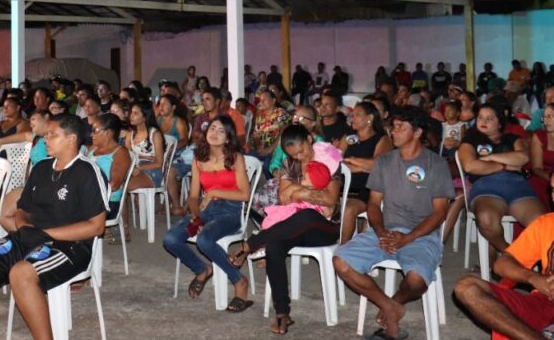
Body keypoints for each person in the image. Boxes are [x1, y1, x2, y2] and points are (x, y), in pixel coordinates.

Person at [0, 113, 107, 339]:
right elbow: (23, 208)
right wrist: (23, 224)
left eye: (52, 135)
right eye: (46, 135)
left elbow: (96, 227)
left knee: (22, 273)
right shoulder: (42, 168)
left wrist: (45, 233)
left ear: (72, 138)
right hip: (31, 237)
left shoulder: (87, 172)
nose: (46, 139)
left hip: (69, 247)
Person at [454, 158, 554, 339]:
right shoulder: (546, 223)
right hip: (543, 300)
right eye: (553, 190)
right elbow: (502, 265)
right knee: (467, 288)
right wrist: (536, 279)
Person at [333, 106, 454, 340]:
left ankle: (396, 302)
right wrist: (380, 232)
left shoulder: (436, 164)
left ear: (417, 132)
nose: (393, 132)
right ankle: (389, 307)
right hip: (386, 230)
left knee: (416, 280)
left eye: (400, 127)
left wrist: (408, 238)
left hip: (421, 234)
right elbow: (373, 204)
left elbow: (440, 212)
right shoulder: (384, 162)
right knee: (341, 261)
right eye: (393, 127)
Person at [229, 124, 343, 334]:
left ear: (310, 139)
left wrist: (296, 190)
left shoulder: (329, 160)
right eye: (293, 154)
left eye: (302, 151)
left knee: (307, 215)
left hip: (324, 227)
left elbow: (330, 200)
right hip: (294, 225)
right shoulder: (289, 163)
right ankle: (283, 313)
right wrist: (304, 191)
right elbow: (283, 198)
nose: (299, 157)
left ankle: (251, 244)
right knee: (274, 245)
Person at [162, 115, 253, 312]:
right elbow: (194, 196)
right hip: (205, 210)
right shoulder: (199, 159)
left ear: (228, 137)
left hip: (230, 211)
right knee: (171, 238)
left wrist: (213, 193)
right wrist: (196, 216)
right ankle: (202, 269)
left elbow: (244, 194)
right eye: (212, 128)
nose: (215, 133)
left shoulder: (235, 158)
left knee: (204, 240)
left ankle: (239, 281)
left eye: (221, 131)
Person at [458, 102, 545, 265]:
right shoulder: (470, 140)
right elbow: (470, 166)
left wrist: (490, 158)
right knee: (486, 219)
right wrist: (505, 165)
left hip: (517, 186)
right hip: (486, 187)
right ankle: (513, 254)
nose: (483, 121)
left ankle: (532, 261)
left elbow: (523, 158)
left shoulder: (513, 139)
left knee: (539, 222)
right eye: (480, 117)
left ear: (499, 122)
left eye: (489, 118)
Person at [340, 102, 393, 243]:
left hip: (367, 190)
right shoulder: (348, 137)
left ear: (370, 118)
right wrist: (364, 167)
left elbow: (378, 164)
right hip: (342, 186)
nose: (352, 118)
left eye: (357, 115)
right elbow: (337, 160)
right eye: (352, 115)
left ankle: (342, 249)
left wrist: (352, 160)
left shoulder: (382, 139)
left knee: (349, 209)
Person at [88, 114, 132, 223]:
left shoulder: (120, 153)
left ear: (108, 132)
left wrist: (85, 191)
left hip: (108, 203)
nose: (91, 134)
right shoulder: (92, 150)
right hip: (90, 199)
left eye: (95, 131)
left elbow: (114, 185)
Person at [125, 100, 165, 194]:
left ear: (144, 117)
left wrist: (139, 168)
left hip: (151, 170)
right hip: (135, 168)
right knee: (118, 182)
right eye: (131, 112)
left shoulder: (154, 134)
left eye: (135, 113)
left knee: (125, 186)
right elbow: (127, 156)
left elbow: (159, 163)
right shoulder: (130, 135)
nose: (131, 115)